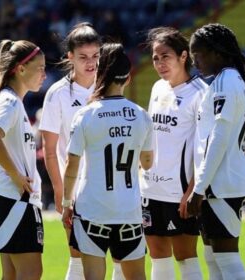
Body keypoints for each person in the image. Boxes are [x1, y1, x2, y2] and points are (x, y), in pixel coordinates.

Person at [62, 42, 153, 280]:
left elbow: (72, 165)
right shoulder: (141, 115)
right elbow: (148, 162)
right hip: (128, 210)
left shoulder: (86, 114)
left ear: (101, 75)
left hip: (93, 209)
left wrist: (65, 203)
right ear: (128, 78)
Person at [39, 22, 110, 279]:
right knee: (78, 256)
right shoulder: (57, 94)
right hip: (76, 189)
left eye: (95, 56)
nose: (90, 62)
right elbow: (49, 150)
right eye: (83, 57)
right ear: (70, 56)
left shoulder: (109, 87)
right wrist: (61, 191)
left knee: (120, 258)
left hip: (110, 187)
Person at [188, 23, 245, 280]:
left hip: (222, 183)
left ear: (218, 53)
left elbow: (219, 137)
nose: (195, 61)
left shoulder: (226, 81)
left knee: (227, 259)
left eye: (199, 54)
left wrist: (199, 187)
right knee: (213, 256)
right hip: (218, 183)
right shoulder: (226, 80)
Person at [140, 27, 207, 280]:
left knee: (186, 256)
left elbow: (205, 148)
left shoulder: (200, 93)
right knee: (157, 254)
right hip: (150, 188)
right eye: (155, 58)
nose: (159, 63)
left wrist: (192, 190)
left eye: (165, 56)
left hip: (179, 193)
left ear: (182, 56)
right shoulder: (158, 88)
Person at [0, 39, 46, 280]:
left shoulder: (13, 101)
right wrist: (16, 175)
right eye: (40, 68)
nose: (44, 75)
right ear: (20, 68)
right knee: (31, 272)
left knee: (12, 274)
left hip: (13, 201)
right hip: (15, 200)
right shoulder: (9, 101)